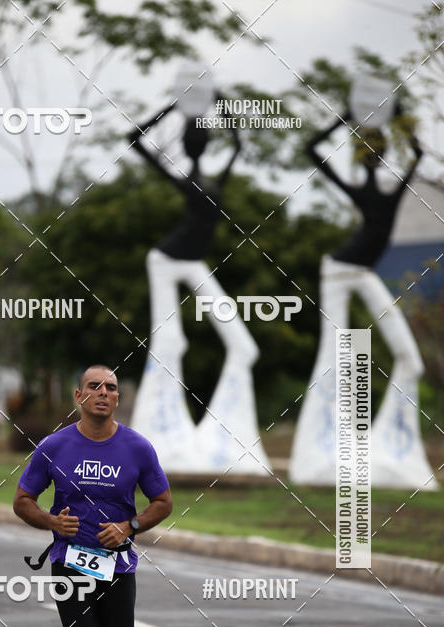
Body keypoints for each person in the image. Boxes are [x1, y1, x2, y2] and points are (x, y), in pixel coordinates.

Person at [13, 365, 172, 627]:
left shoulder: (138, 448)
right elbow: (23, 500)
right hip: (70, 562)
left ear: (118, 399)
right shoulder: (54, 446)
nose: (103, 392)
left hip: (117, 564)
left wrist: (130, 526)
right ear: (78, 396)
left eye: (112, 388)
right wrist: (51, 522)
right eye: (94, 386)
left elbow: (163, 502)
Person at [289, 106, 435, 488]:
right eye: (369, 149)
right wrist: (346, 116)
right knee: (335, 356)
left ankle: (394, 449)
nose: (375, 155)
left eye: (377, 148)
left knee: (410, 359)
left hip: (363, 273)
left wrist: (400, 119)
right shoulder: (361, 189)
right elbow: (311, 149)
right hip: (337, 273)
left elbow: (418, 155)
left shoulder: (393, 187)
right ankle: (320, 451)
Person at [127, 103, 269, 474]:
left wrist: (218, 104)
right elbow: (135, 140)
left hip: (192, 262)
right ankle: (159, 441)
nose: (200, 142)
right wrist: (173, 107)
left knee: (243, 345)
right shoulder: (186, 180)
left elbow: (238, 145)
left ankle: (226, 443)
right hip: (164, 260)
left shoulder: (214, 180)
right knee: (170, 343)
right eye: (197, 137)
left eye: (202, 136)